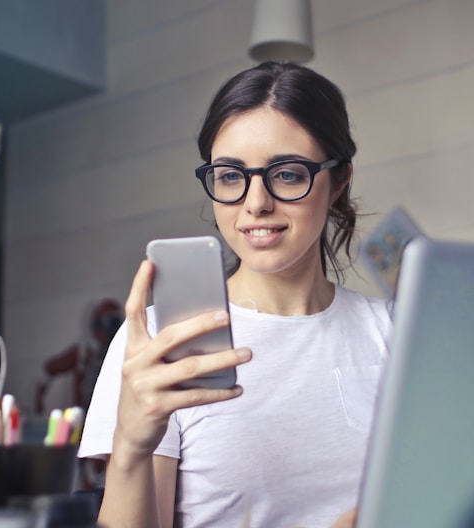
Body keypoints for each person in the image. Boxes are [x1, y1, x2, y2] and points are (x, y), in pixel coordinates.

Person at [79, 62, 393, 528]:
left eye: (287, 174)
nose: (255, 203)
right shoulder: (160, 339)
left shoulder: (395, 331)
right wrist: (129, 447)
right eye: (230, 176)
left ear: (339, 179)